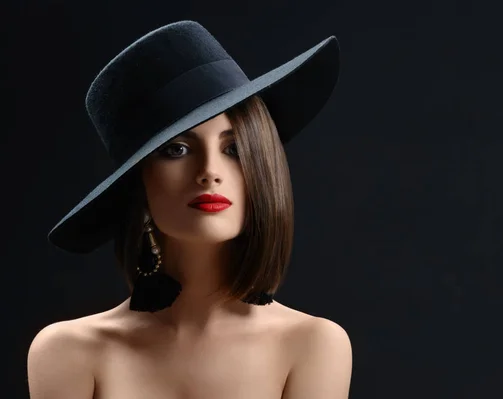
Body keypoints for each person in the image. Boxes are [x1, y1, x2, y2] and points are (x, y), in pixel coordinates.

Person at [26, 21, 352, 398]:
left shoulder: (313, 345)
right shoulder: (68, 352)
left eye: (233, 148)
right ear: (139, 185)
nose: (209, 173)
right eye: (176, 149)